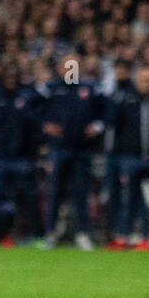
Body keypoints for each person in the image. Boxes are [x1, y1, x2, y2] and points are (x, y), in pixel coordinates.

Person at [106, 62, 149, 250]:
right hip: (132, 158)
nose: (147, 83)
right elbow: (115, 126)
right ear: (136, 81)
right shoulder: (126, 101)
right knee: (130, 200)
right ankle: (124, 237)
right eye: (143, 80)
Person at [41, 57, 104, 250]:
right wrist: (45, 125)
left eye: (74, 66)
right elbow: (32, 110)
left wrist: (98, 126)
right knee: (54, 193)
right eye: (67, 66)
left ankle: (82, 233)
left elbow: (106, 111)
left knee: (81, 193)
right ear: (60, 68)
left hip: (82, 149)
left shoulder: (90, 89)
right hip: (59, 149)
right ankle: (50, 233)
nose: (71, 70)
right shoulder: (50, 89)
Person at [0, 60, 43, 248]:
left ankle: (37, 236)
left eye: (14, 76)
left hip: (22, 159)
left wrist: (31, 155)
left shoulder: (26, 98)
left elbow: (34, 128)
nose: (11, 79)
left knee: (31, 198)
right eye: (8, 75)